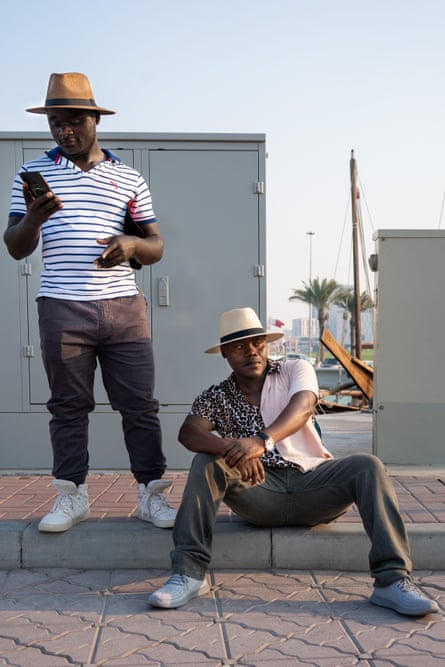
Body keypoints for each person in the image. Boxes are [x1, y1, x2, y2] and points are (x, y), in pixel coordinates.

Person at [148, 307, 439, 616]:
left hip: (315, 484)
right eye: (239, 346)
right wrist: (231, 448)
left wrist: (260, 442)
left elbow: (303, 407)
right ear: (224, 354)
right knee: (206, 462)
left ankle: (392, 582)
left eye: (257, 343)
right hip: (260, 492)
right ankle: (189, 574)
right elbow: (189, 432)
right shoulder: (216, 396)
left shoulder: (293, 369)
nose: (251, 352)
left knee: (368, 465)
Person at [3, 72, 176, 533]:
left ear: (95, 119)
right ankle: (71, 496)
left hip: (123, 306)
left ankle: (150, 494)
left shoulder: (128, 177)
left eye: (74, 120)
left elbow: (156, 244)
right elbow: (15, 246)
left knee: (139, 404)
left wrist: (131, 245)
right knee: (68, 405)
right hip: (61, 305)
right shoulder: (30, 174)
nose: (65, 130)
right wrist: (34, 220)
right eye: (56, 122)